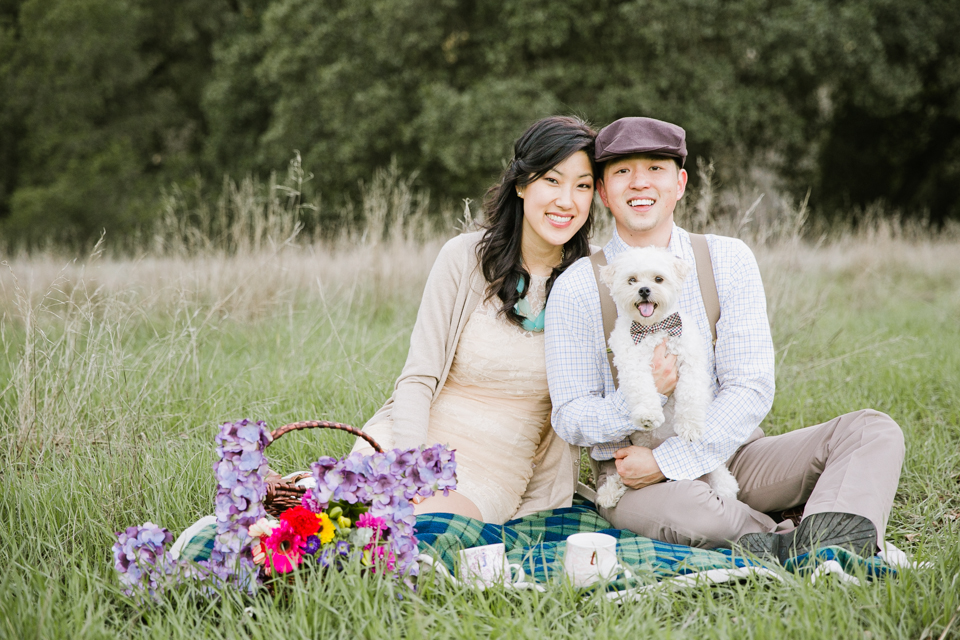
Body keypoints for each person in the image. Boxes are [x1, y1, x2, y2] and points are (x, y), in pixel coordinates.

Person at [544, 116, 905, 561]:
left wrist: (673, 460)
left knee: (872, 430)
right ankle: (818, 540)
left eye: (655, 168)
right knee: (695, 513)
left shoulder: (728, 258)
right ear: (602, 191)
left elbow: (750, 386)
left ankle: (812, 541)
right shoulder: (578, 285)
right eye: (622, 171)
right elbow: (570, 415)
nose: (640, 183)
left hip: (732, 452)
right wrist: (644, 409)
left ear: (679, 183)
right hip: (635, 472)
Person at [352, 116, 599, 524]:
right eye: (552, 180)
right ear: (521, 185)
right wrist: (410, 466)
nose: (567, 200)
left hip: (494, 467)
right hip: (413, 436)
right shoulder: (464, 258)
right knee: (345, 513)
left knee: (425, 529)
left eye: (583, 185)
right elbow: (418, 378)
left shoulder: (594, 282)